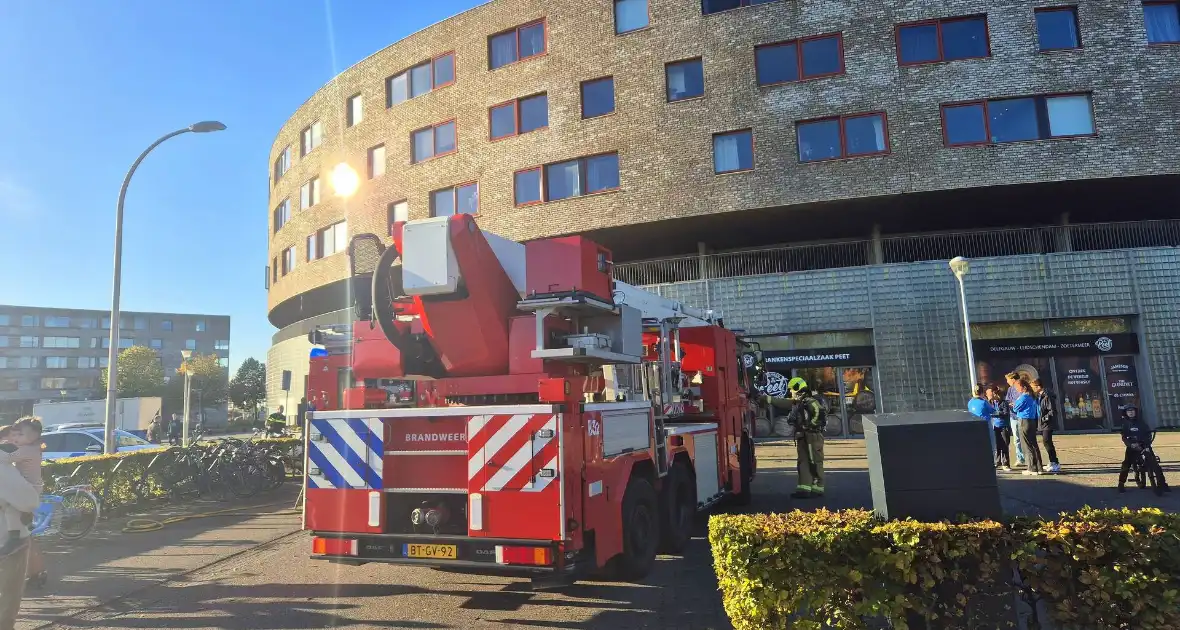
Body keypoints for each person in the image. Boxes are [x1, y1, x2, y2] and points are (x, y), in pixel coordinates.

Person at [767, 377, 826, 499]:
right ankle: (804, 488)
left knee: (814, 461)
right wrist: (767, 399)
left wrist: (810, 425)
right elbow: (782, 402)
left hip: (812, 436)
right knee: (803, 462)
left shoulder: (809, 401)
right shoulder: (799, 402)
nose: (790, 393)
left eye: (792, 390)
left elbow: (819, 412)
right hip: (803, 436)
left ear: (797, 388)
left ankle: (818, 487)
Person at [1117, 405, 1169, 493]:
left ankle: (1163, 484)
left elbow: (1148, 434)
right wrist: (1130, 445)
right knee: (1126, 465)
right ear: (1125, 413)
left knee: (1155, 464)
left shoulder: (1142, 423)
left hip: (1144, 445)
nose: (1131, 412)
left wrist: (1145, 444)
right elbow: (1124, 437)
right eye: (1128, 411)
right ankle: (1121, 484)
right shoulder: (1124, 424)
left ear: (1136, 412)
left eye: (1132, 410)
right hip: (1132, 447)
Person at [1011, 380, 1042, 475]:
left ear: (1023, 387)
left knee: (1026, 445)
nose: (1017, 389)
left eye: (1018, 387)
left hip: (1024, 420)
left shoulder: (1024, 396)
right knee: (1034, 444)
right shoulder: (1032, 396)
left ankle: (1031, 468)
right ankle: (1039, 467)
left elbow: (1016, 408)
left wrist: (1014, 405)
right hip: (1032, 420)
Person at [1030, 379, 1061, 474]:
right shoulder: (1039, 396)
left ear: (1038, 387)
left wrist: (1044, 419)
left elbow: (1052, 411)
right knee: (1046, 442)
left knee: (1047, 442)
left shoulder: (1047, 396)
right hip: (1042, 423)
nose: (1032, 389)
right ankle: (1052, 461)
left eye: (1033, 387)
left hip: (1047, 424)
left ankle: (1055, 462)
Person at [1004, 373, 1027, 467]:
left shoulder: (1022, 387)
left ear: (1013, 379)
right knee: (1016, 439)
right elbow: (1007, 400)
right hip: (1013, 416)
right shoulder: (1010, 389)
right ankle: (1020, 458)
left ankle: (1029, 457)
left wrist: (1017, 404)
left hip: (1023, 416)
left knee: (1025, 438)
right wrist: (1011, 404)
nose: (1007, 382)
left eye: (1008, 379)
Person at [967, 384, 996, 457]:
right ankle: (991, 458)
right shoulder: (984, 402)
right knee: (991, 442)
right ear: (982, 393)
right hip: (985, 424)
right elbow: (992, 410)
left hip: (974, 424)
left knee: (978, 443)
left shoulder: (970, 402)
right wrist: (989, 400)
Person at [988, 386, 1012, 470]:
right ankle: (997, 462)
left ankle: (1006, 463)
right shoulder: (991, 402)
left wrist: (995, 413)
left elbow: (1005, 413)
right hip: (995, 426)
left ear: (995, 394)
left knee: (1005, 445)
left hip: (1004, 426)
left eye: (991, 394)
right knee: (997, 445)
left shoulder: (1004, 402)